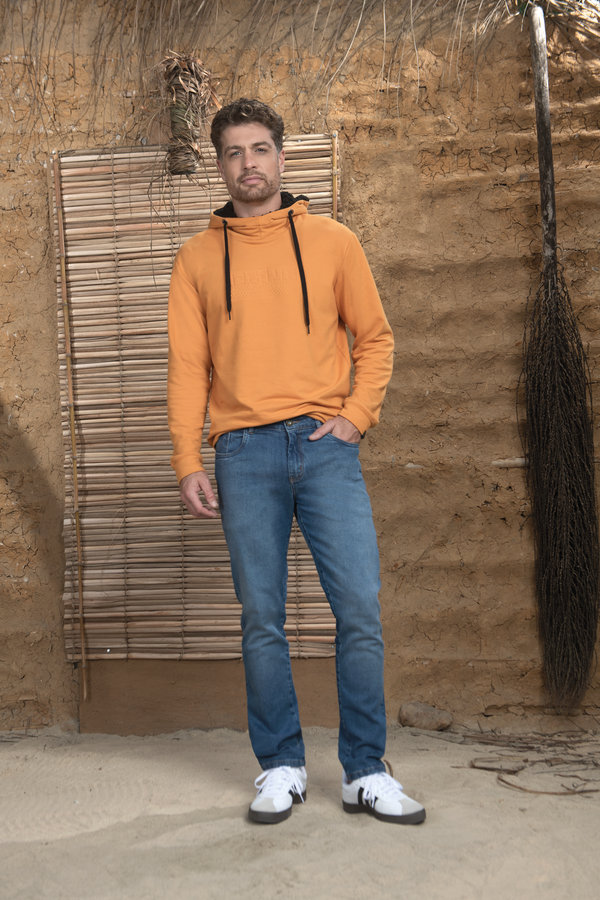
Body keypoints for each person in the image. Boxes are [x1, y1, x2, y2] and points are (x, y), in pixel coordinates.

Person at [167, 97, 425, 826]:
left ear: (282, 157)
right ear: (220, 166)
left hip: (324, 446)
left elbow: (375, 338)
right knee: (262, 617)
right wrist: (187, 457)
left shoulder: (334, 242)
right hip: (242, 452)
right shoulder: (195, 260)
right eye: (233, 152)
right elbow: (187, 368)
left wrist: (355, 418)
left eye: (259, 149)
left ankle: (366, 771)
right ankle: (281, 765)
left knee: (360, 608)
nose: (247, 163)